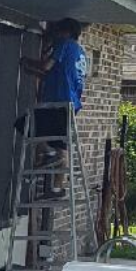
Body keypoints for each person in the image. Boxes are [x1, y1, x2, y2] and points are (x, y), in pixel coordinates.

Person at [21, 18, 88, 195]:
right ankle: (56, 188)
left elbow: (46, 65)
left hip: (57, 102)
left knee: (25, 125)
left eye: (58, 32)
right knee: (61, 144)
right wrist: (31, 71)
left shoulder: (64, 44)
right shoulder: (81, 53)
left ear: (66, 32)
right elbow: (55, 77)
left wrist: (28, 61)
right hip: (70, 105)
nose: (56, 35)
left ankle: (49, 153)